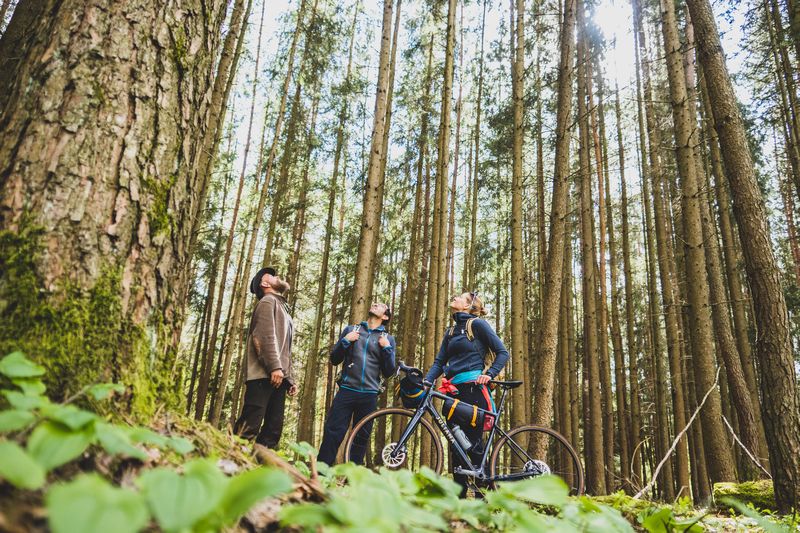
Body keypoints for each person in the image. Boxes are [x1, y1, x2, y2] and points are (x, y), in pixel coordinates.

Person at [424, 292, 510, 498]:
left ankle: (484, 497)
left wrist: (489, 375)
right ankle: (459, 498)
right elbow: (439, 362)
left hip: (473, 390)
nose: (453, 297)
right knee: (456, 444)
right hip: (452, 392)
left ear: (469, 305)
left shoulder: (477, 325)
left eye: (460, 296)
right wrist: (426, 381)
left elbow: (502, 352)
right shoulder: (451, 331)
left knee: (473, 444)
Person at [318, 302, 397, 466]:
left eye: (380, 305)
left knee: (361, 437)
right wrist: (346, 341)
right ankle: (320, 473)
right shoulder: (351, 330)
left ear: (385, 316)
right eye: (374, 303)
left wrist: (387, 348)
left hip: (369, 395)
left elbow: (389, 371)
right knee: (333, 432)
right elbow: (335, 359)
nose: (374, 304)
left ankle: (352, 479)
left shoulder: (387, 339)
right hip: (346, 390)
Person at [233, 267, 297, 448]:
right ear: (264, 283)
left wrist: (289, 378)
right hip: (263, 375)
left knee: (273, 430)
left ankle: (257, 469)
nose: (278, 276)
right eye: (273, 275)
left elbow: (286, 348)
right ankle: (229, 460)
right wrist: (274, 367)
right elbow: (263, 336)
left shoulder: (281, 307)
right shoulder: (268, 302)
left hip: (278, 376)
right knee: (250, 424)